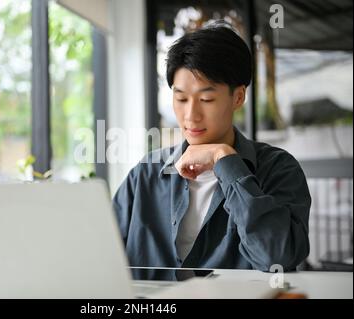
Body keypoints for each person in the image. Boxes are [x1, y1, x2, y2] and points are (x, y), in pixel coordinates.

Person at [112, 21, 311, 272]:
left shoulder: (278, 169)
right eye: (181, 98)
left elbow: (276, 259)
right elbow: (99, 257)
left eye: (206, 99)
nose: (190, 115)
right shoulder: (145, 175)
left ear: (238, 97)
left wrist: (225, 160)